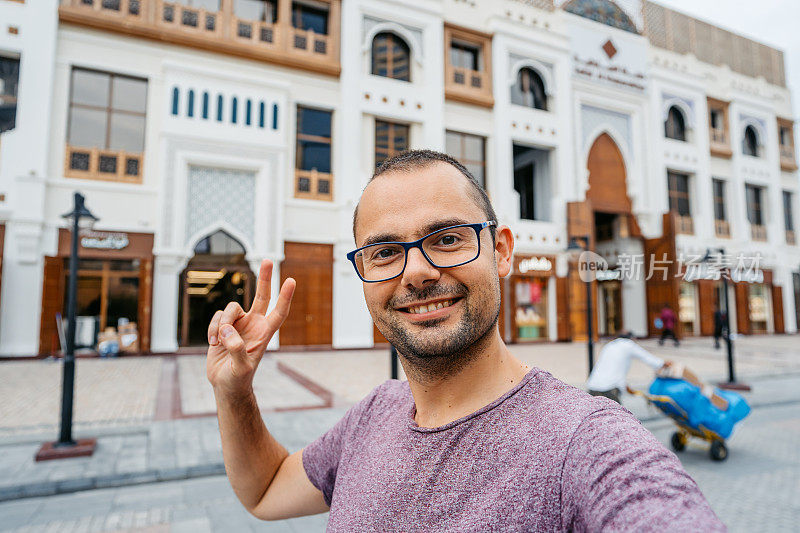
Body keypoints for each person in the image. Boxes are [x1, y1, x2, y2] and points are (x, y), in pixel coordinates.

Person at [206, 150, 724, 531]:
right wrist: (234, 391)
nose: (416, 272)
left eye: (447, 239)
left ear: (500, 252)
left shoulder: (583, 442)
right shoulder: (374, 415)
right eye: (384, 251)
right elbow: (267, 489)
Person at [586, 332, 671, 404]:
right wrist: (664, 363)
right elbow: (648, 358)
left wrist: (624, 385)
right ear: (631, 338)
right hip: (609, 389)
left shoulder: (609, 345)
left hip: (592, 386)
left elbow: (610, 368)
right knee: (617, 419)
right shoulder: (628, 344)